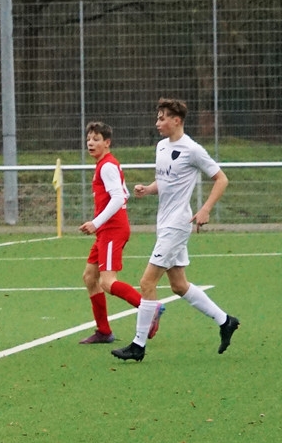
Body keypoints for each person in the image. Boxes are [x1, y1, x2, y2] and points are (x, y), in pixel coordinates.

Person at [112, 98, 240, 362]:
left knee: (147, 282)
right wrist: (148, 189)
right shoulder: (161, 147)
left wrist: (205, 209)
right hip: (164, 223)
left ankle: (138, 345)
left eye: (162, 118)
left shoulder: (192, 149)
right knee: (179, 286)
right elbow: (165, 181)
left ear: (177, 120)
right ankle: (225, 321)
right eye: (158, 117)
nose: (157, 123)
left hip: (177, 225)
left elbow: (221, 179)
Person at [77, 121, 147, 344]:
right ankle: (104, 331)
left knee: (107, 282)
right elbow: (124, 192)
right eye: (89, 139)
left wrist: (96, 223)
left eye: (96, 139)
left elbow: (119, 197)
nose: (91, 143)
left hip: (112, 229)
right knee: (90, 277)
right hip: (107, 230)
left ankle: (148, 308)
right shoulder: (105, 165)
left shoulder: (107, 166)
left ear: (107, 143)